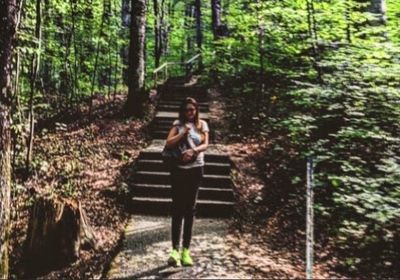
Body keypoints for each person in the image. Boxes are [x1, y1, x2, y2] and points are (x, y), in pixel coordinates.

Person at [164, 97, 209, 267]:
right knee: (177, 208)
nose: (189, 112)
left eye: (192, 109)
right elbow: (168, 144)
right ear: (182, 111)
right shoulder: (177, 124)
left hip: (196, 170)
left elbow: (206, 144)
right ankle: (174, 250)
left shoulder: (202, 125)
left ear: (196, 110)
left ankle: (186, 251)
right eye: (186, 110)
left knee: (190, 209)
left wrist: (194, 150)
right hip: (178, 170)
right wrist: (182, 133)